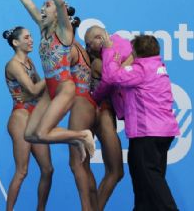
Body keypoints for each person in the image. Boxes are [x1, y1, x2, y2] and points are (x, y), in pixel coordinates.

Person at [15, 0, 95, 160]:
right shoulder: (43, 28)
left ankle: (82, 135)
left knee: (43, 133)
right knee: (29, 135)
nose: (42, 8)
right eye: (43, 5)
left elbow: (59, 3)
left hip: (64, 89)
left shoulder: (65, 32)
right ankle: (74, 140)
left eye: (47, 5)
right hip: (50, 91)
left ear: (59, 14)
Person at [101, 35, 179, 211]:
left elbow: (112, 77)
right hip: (162, 132)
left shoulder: (140, 70)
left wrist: (108, 50)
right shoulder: (158, 66)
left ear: (136, 52)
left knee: (150, 178)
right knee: (142, 179)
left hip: (148, 133)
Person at [3, 26, 53, 211]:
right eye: (26, 37)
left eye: (31, 36)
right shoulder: (13, 65)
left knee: (47, 169)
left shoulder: (29, 61)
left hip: (34, 113)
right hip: (21, 116)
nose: (31, 40)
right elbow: (33, 89)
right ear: (16, 43)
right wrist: (53, 73)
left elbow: (40, 91)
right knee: (22, 171)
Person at [85, 26, 130, 210]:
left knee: (115, 172)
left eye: (103, 34)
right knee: (115, 171)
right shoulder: (97, 64)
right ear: (89, 47)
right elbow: (114, 78)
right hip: (101, 112)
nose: (102, 38)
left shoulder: (107, 59)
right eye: (96, 38)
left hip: (106, 112)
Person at [65, 15, 99, 211]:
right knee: (84, 166)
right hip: (89, 104)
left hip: (80, 103)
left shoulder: (69, 48)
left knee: (77, 164)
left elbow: (57, 79)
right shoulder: (80, 48)